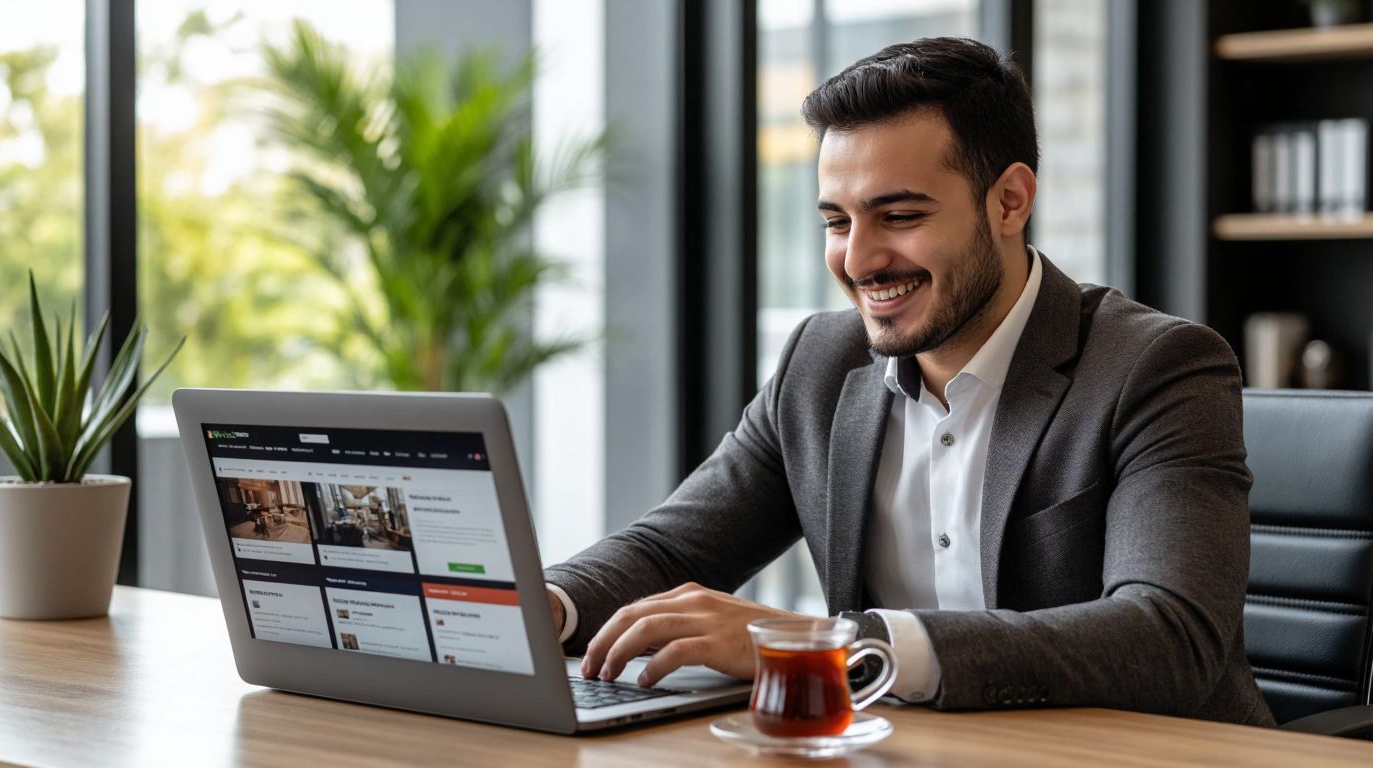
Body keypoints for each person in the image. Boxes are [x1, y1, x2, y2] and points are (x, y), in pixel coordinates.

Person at [543, 37, 1274, 726]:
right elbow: (672, 551)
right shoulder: (820, 364)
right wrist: (543, 605)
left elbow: (1167, 637)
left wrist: (836, 646)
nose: (859, 260)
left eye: (898, 215)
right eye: (837, 222)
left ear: (1010, 201)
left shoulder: (1157, 367)